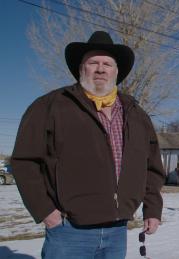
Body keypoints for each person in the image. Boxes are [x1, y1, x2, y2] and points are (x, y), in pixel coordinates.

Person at [11, 31, 165, 259]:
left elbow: (151, 166)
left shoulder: (135, 114)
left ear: (116, 71)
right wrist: (45, 211)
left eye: (107, 64)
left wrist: (152, 209)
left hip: (117, 230)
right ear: (81, 68)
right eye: (93, 62)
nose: (100, 69)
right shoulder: (51, 106)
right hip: (69, 231)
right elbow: (25, 161)